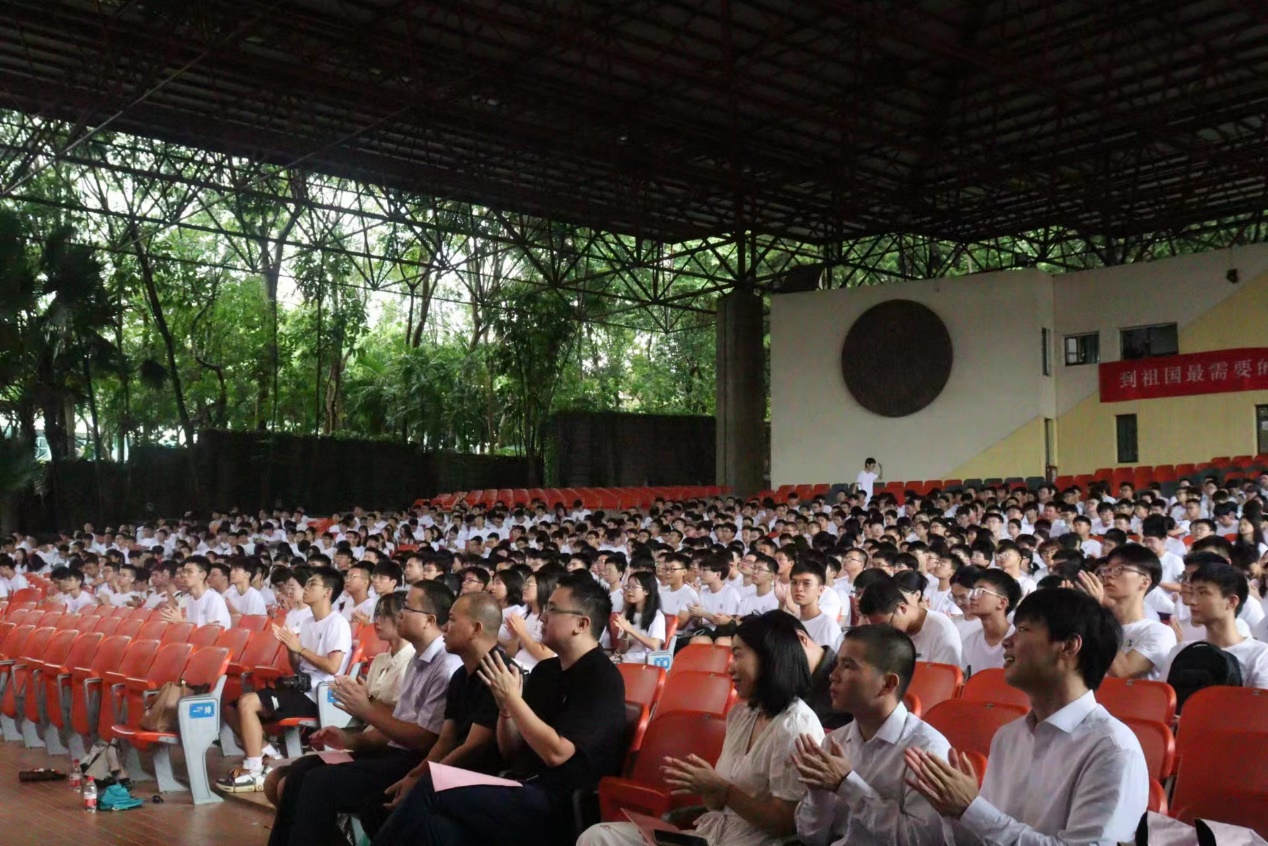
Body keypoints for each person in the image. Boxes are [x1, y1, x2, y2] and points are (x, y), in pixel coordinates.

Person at [371, 572, 626, 846]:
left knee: (432, 786)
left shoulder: (602, 677)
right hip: (519, 784)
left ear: (581, 624)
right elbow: (510, 750)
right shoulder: (546, 671)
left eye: (552, 609)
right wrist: (505, 710)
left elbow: (556, 754)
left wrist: (512, 699)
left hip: (557, 801)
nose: (542, 617)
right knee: (436, 829)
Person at [906, 588, 1150, 845]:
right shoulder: (1009, 736)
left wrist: (971, 810)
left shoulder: (1112, 749)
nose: (1007, 641)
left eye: (1022, 630)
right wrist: (954, 811)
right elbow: (986, 836)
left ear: (1068, 646)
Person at [580, 610, 824, 846]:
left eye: (738, 655)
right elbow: (717, 806)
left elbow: (784, 824)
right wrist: (708, 788)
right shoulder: (742, 715)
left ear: (769, 658)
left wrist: (722, 789)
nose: (729, 667)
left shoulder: (795, 726)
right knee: (598, 837)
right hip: (711, 835)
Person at [263, 581, 462, 846]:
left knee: (318, 783)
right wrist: (351, 739)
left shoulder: (445, 666)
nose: (400, 614)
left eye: (407, 608)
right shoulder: (418, 658)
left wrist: (367, 710)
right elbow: (396, 726)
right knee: (301, 770)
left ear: (429, 620)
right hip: (390, 752)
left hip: (413, 762)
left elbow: (424, 739)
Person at [793, 625, 952, 846]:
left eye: (848, 666)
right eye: (837, 664)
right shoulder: (835, 741)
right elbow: (811, 838)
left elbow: (921, 841)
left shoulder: (927, 750)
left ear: (887, 684)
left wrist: (847, 785)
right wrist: (817, 795)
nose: (833, 675)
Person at [372, 592, 509, 835]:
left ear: (476, 629)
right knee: (375, 808)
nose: (445, 627)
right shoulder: (460, 676)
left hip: (482, 777)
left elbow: (474, 746)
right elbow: (446, 739)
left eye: (453, 620)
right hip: (451, 771)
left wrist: (424, 778)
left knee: (414, 810)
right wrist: (416, 774)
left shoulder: (500, 672)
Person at [217, 566, 351, 792]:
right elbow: (298, 666)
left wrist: (300, 648)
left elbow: (333, 666)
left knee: (248, 703)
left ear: (327, 592)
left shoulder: (336, 623)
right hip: (301, 686)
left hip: (318, 694)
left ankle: (254, 770)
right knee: (231, 708)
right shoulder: (308, 622)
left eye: (312, 584)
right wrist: (291, 648)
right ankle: (269, 754)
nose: (306, 588)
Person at [1157, 559, 1268, 688]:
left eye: (1203, 593)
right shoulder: (1180, 651)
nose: (1192, 601)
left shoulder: (1260, 655)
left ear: (1231, 602)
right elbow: (1164, 697)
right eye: (1192, 593)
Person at [1077, 544, 1177, 681]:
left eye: (1119, 569)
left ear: (1144, 582)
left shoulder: (1158, 632)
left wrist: (1098, 611)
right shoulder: (1091, 624)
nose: (1108, 575)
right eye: (1107, 570)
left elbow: (1122, 672)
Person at [858, 575, 962, 667]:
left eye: (886, 625)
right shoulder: (890, 632)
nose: (884, 632)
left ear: (902, 608)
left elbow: (944, 679)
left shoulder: (941, 631)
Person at [360, 592, 417, 709]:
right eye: (377, 614)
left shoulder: (413, 662)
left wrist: (365, 700)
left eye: (385, 614)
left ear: (402, 617)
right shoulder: (379, 660)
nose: (377, 620)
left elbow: (401, 713)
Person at [959, 570, 1020, 675]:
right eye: (973, 592)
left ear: (1002, 603)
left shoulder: (1019, 642)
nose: (972, 597)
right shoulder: (970, 642)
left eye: (981, 591)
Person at [504, 567, 560, 671]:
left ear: (543, 587)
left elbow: (545, 655)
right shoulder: (524, 616)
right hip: (518, 667)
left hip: (536, 672)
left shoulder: (551, 618)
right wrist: (515, 637)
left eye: (529, 584)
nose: (524, 588)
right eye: (524, 584)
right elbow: (510, 655)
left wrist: (521, 632)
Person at [161, 557, 231, 628]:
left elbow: (214, 631)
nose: (184, 575)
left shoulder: (214, 599)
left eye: (189, 572)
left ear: (203, 575)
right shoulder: (187, 599)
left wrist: (181, 622)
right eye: (184, 571)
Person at [612, 569, 667, 660]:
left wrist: (630, 630)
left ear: (646, 591)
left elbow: (654, 645)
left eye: (634, 587)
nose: (629, 590)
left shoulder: (657, 616)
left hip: (645, 660)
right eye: (628, 586)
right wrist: (625, 633)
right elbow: (623, 650)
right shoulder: (626, 614)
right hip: (628, 657)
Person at [792, 558, 843, 652]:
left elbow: (829, 660)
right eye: (794, 583)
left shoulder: (827, 626)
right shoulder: (794, 618)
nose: (798, 588)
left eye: (807, 584)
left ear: (821, 590)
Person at [225, 558, 268, 623]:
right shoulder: (229, 593)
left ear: (247, 575)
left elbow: (251, 623)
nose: (231, 573)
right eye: (231, 570)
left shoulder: (254, 596)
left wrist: (231, 609)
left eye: (236, 570)